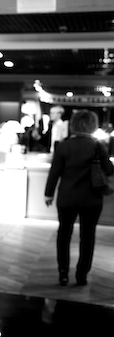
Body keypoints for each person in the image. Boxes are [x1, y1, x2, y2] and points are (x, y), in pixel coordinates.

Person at [44, 109, 113, 286]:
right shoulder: (97, 145)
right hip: (92, 199)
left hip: (67, 197)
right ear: (92, 125)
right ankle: (82, 275)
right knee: (88, 237)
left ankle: (63, 273)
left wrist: (48, 193)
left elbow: (54, 172)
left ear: (73, 124)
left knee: (64, 234)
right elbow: (109, 170)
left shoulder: (64, 145)